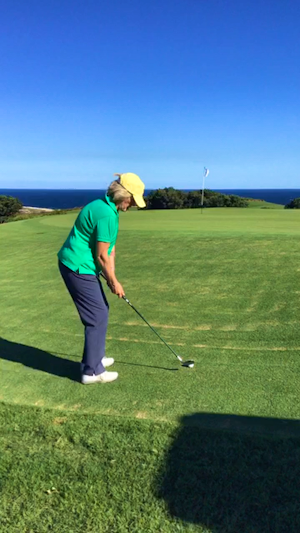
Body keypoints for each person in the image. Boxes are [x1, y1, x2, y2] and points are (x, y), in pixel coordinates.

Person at [58, 173, 146, 384]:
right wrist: (114, 282)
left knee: (100, 311)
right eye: (132, 200)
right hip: (78, 267)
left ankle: (94, 358)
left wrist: (111, 277)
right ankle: (92, 372)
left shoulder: (105, 207)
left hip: (79, 265)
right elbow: (101, 255)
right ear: (123, 195)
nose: (132, 205)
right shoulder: (106, 214)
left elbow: (110, 250)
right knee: (96, 316)